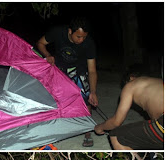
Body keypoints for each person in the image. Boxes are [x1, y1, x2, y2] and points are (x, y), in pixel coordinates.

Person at [37, 17, 98, 147]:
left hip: (79, 69)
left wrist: (93, 92)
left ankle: (87, 130)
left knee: (86, 97)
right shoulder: (58, 32)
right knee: (55, 98)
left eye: (84, 37)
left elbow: (92, 70)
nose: (81, 40)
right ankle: (55, 128)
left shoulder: (89, 43)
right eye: (78, 36)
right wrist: (47, 55)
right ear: (70, 31)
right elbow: (40, 43)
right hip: (59, 68)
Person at [94, 73, 164, 150]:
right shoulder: (158, 81)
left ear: (131, 78)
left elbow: (116, 122)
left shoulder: (131, 85)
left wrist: (100, 127)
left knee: (116, 135)